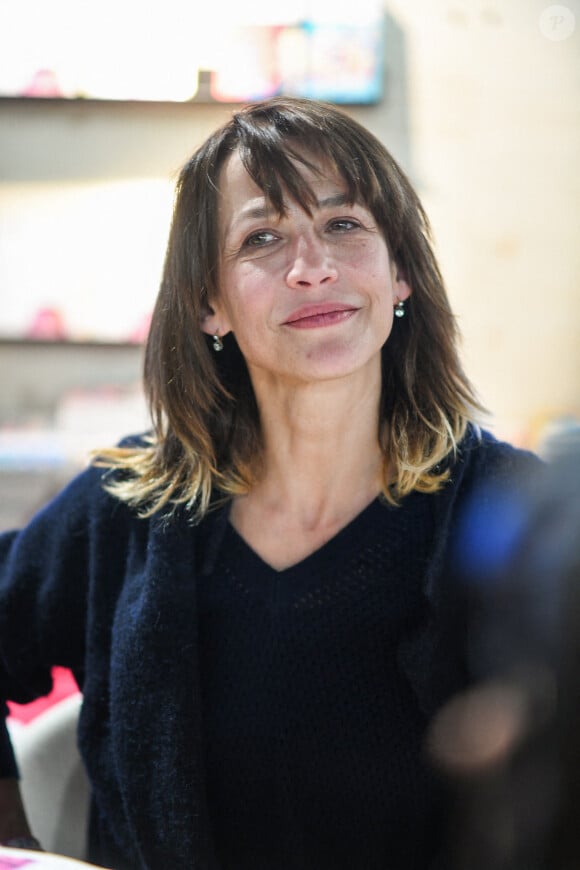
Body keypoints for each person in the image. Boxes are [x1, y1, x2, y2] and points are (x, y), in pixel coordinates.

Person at [0, 97, 540, 870]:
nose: (312, 266)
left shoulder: (518, 513)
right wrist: (14, 841)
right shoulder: (126, 510)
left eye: (344, 225)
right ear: (210, 305)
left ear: (403, 275)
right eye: (262, 237)